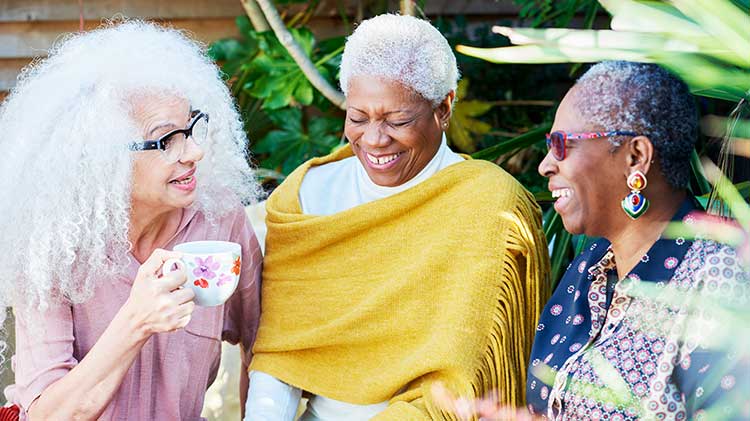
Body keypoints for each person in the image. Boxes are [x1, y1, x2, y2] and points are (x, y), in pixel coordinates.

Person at [244, 14, 550, 421]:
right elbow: (280, 357)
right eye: (358, 117)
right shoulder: (307, 196)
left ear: (443, 108)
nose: (373, 139)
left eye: (397, 121)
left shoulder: (489, 206)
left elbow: (465, 378)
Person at [0, 21, 263, 420]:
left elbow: (264, 340)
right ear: (105, 158)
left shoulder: (219, 219)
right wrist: (137, 320)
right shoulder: (50, 242)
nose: (193, 152)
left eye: (191, 128)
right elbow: (47, 416)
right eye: (166, 139)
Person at [527, 61, 749, 420]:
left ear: (635, 157)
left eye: (560, 144)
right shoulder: (593, 264)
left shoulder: (718, 275)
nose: (546, 165)